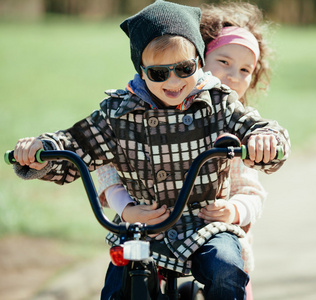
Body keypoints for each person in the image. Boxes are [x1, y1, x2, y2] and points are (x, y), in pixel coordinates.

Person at [12, 1, 290, 299]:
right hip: (144, 227)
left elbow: (257, 127)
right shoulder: (119, 114)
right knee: (118, 284)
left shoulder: (218, 104)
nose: (173, 81)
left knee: (226, 267)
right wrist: (42, 149)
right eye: (159, 73)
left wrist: (266, 140)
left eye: (184, 69)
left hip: (206, 224)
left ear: (198, 61)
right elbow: (77, 142)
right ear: (142, 71)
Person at [96, 2, 274, 299]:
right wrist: (126, 208)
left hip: (212, 228)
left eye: (245, 70)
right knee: (121, 280)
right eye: (224, 62)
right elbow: (107, 164)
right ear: (197, 60)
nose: (232, 75)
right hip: (151, 225)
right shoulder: (138, 111)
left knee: (228, 272)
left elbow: (251, 191)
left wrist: (233, 210)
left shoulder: (237, 123)